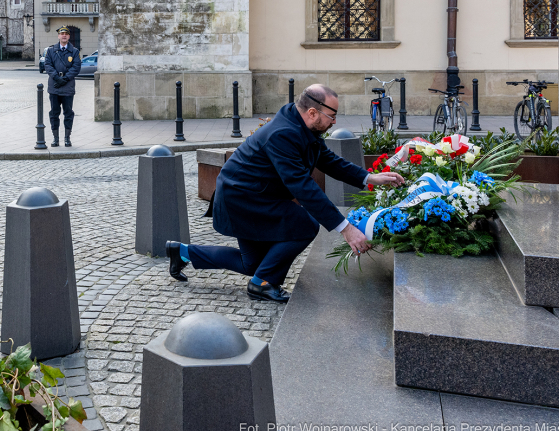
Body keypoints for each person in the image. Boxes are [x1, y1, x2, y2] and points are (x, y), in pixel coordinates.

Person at [166, 85, 405, 302]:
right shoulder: (283, 133)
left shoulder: (301, 125)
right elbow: (302, 186)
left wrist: (369, 178)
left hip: (252, 196)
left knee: (254, 264)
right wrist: (346, 229)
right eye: (331, 115)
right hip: (243, 200)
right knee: (305, 224)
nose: (334, 121)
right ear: (312, 112)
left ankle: (183, 252)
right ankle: (262, 285)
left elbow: (328, 160)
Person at [45, 26, 81, 147]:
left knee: (68, 113)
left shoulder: (75, 51)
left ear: (69, 36)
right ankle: (55, 138)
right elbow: (48, 65)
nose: (64, 35)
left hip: (68, 86)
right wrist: (57, 78)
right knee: (54, 113)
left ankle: (67, 138)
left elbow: (76, 68)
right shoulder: (51, 51)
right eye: (62, 33)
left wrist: (64, 79)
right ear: (58, 36)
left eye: (66, 33)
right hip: (54, 86)